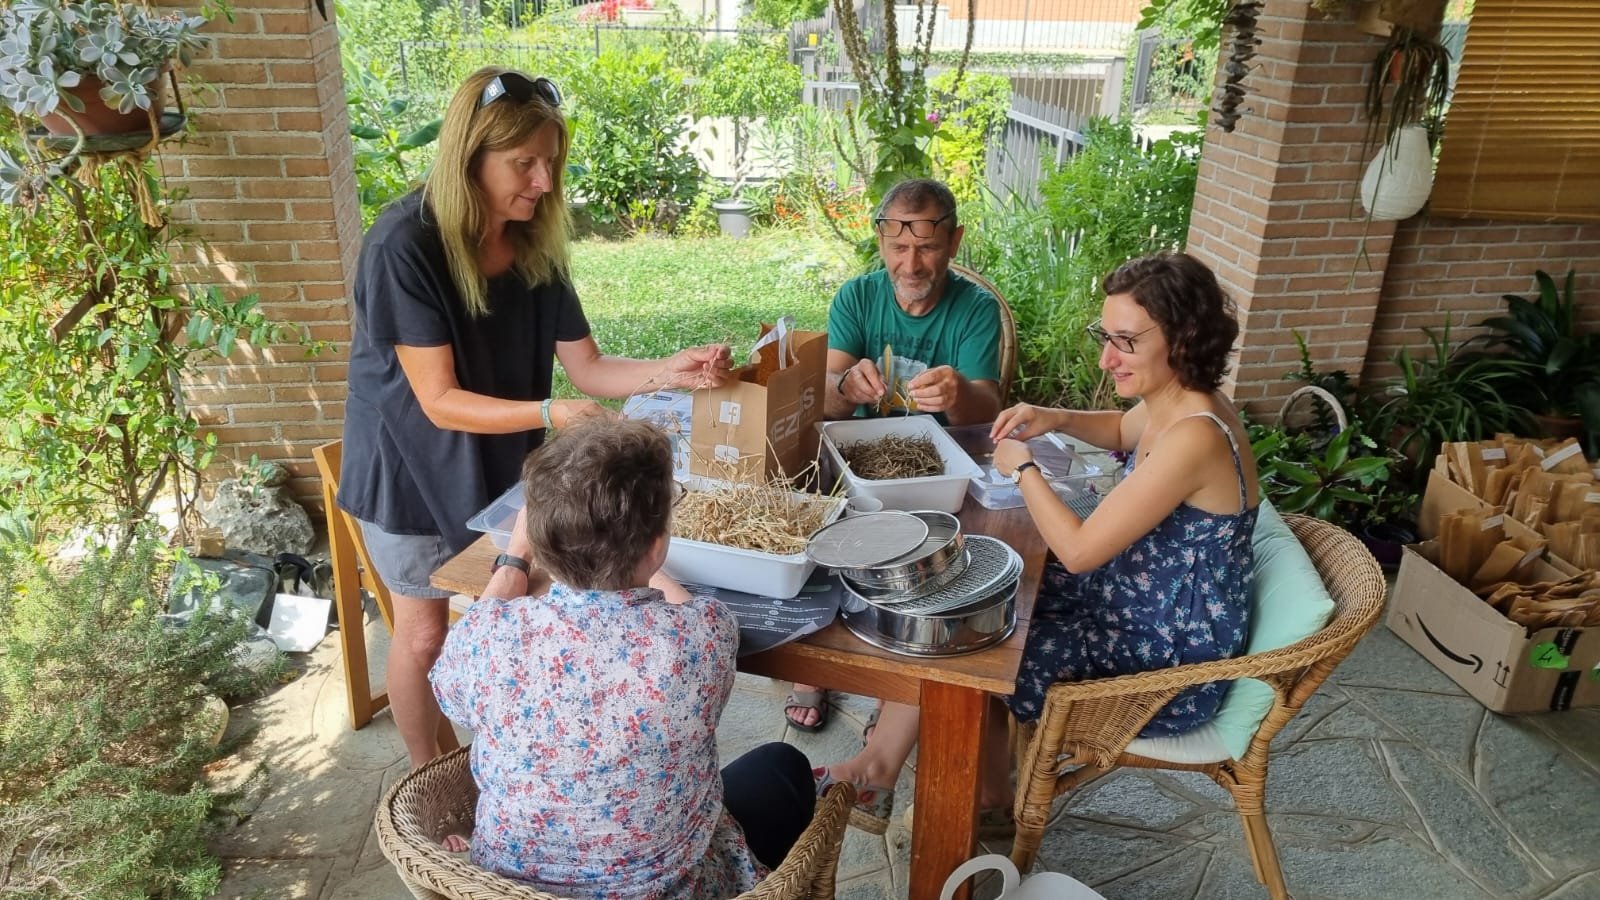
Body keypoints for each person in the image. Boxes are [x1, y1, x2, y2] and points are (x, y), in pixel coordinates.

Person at [337, 66, 732, 768]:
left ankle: (517, 770)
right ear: (470, 158)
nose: (544, 182)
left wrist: (669, 371)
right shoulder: (404, 245)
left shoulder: (532, 242)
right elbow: (438, 400)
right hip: (408, 466)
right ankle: (427, 779)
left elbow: (590, 368)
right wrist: (550, 411)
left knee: (518, 606)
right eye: (524, 163)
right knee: (425, 635)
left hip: (499, 457)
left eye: (550, 162)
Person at [812, 251, 1260, 834]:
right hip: (1138, 603)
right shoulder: (1180, 405)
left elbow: (1079, 550)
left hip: (1161, 661)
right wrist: (1053, 416)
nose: (1106, 358)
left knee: (971, 640)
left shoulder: (1194, 436)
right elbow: (1123, 428)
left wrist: (1024, 469)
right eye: (1105, 336)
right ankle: (960, 786)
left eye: (1125, 342)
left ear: (1185, 338)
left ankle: (936, 785)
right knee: (967, 593)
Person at [430, 419, 816, 896]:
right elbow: (690, 609)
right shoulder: (701, 635)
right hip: (665, 890)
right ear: (657, 547)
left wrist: (515, 560)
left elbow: (452, 688)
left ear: (541, 544)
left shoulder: (485, 638)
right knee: (783, 764)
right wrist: (647, 566)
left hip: (511, 891)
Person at [788, 177, 1005, 733]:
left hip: (937, 468)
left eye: (927, 247)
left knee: (935, 566)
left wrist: (958, 394)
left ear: (954, 242)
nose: (911, 264)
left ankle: (895, 677)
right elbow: (825, 393)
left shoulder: (976, 309)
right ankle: (816, 659)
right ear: (881, 241)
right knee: (813, 535)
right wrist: (847, 385)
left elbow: (987, 408)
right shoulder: (857, 297)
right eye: (898, 247)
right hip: (858, 462)